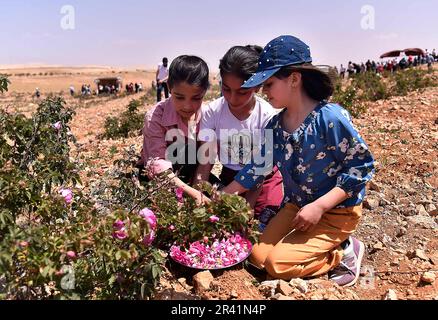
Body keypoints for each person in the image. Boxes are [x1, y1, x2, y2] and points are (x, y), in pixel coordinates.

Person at [222, 35, 375, 287]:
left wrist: (319, 207)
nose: (264, 92)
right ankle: (311, 243)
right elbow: (258, 166)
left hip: (336, 211)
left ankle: (344, 250)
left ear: (294, 79)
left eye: (269, 84)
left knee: (277, 265)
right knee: (257, 258)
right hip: (296, 207)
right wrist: (224, 194)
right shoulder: (275, 125)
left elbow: (362, 166)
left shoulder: (329, 119)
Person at [194, 45, 284, 228]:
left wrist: (247, 209)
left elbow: (260, 171)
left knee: (261, 228)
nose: (232, 99)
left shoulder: (267, 116)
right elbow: (206, 161)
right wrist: (198, 194)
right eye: (226, 89)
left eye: (242, 92)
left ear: (257, 86)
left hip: (263, 182)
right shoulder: (212, 112)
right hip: (229, 180)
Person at [138, 55, 212, 204]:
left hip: (192, 175)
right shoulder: (156, 117)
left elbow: (206, 159)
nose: (187, 106)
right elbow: (157, 165)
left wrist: (199, 189)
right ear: (170, 88)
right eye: (179, 97)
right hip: (161, 179)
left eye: (196, 98)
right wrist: (191, 193)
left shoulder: (207, 115)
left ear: (204, 92)